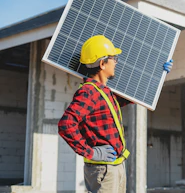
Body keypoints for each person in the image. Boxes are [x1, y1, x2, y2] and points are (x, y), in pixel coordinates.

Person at [58, 35, 173, 193]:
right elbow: (66, 125)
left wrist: (158, 76)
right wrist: (91, 152)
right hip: (103, 170)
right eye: (114, 58)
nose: (116, 61)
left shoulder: (103, 91)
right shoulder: (88, 92)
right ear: (102, 63)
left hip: (114, 166)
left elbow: (129, 98)